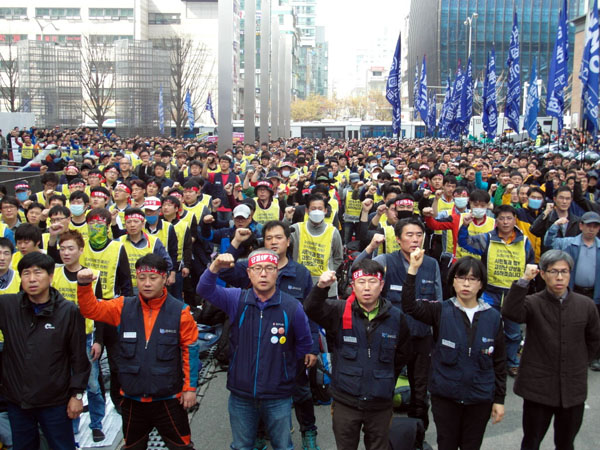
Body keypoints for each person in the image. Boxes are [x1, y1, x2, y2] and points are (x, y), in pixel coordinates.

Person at [77, 253, 199, 449]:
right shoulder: (122, 306)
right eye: (142, 278)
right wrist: (84, 286)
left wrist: (190, 389)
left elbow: (190, 352)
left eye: (153, 278)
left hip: (169, 399)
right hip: (133, 400)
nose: (147, 283)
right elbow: (91, 310)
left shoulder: (180, 312)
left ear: (164, 279)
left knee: (182, 447)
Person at [218, 221, 321, 450]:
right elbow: (223, 270)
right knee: (259, 393)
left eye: (278, 237)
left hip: (292, 347)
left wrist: (312, 347)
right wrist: (236, 242)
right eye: (268, 238)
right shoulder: (252, 268)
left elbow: (310, 312)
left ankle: (308, 432)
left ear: (288, 241)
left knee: (301, 391)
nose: (273, 242)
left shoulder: (300, 273)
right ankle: (258, 434)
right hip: (259, 346)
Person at [196, 249, 313, 450]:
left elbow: (304, 345)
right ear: (249, 273)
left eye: (269, 268)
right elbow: (204, 289)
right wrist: (215, 267)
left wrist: (284, 372)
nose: (263, 274)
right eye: (257, 268)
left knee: (282, 446)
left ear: (277, 272)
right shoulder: (237, 299)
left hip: (278, 395)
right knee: (242, 445)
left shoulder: (292, 307)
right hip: (241, 394)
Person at [403, 253, 506, 450]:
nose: (466, 284)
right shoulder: (441, 310)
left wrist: (499, 400)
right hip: (446, 397)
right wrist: (413, 270)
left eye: (472, 279)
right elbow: (410, 306)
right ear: (453, 281)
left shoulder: (492, 317)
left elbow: (499, 362)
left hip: (479, 398)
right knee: (446, 444)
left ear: (481, 284)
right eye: (461, 278)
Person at [304, 260, 411, 450]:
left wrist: (384, 379)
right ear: (353, 286)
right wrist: (321, 287)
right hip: (346, 401)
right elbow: (310, 309)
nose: (367, 287)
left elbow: (402, 354)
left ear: (382, 285)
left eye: (372, 281)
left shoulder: (396, 317)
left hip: (380, 403)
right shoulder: (339, 310)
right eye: (361, 282)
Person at [502, 251, 600, 450]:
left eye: (564, 271)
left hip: (572, 390)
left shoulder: (586, 305)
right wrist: (524, 280)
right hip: (538, 390)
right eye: (553, 271)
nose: (559, 277)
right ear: (543, 274)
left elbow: (594, 340)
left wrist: (579, 363)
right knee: (531, 441)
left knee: (566, 443)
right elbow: (510, 312)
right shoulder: (533, 302)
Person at [354, 217, 442, 432]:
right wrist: (370, 247)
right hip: (390, 338)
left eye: (419, 235)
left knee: (420, 392)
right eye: (409, 235)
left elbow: (438, 303)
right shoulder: (386, 261)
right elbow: (356, 270)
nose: (415, 240)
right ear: (398, 239)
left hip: (421, 337)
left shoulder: (431, 264)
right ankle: (381, 433)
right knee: (384, 387)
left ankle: (417, 435)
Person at [0, 252, 90, 450]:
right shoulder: (7, 306)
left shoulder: (67, 311)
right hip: (18, 400)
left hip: (55, 401)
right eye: (26, 273)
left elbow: (78, 357)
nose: (32, 279)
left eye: (38, 273)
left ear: (50, 276)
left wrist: (77, 395)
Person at [458, 205, 535, 377]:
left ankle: (512, 362)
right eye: (501, 218)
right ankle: (483, 361)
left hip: (514, 295)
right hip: (490, 293)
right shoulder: (487, 238)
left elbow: (530, 263)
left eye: (509, 218)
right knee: (485, 329)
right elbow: (465, 242)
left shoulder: (524, 242)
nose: (505, 222)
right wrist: (465, 226)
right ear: (496, 221)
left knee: (513, 333)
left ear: (515, 220)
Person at [53, 230, 106, 442]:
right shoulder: (54, 274)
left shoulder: (92, 275)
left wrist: (99, 341)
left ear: (81, 250)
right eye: (62, 249)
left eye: (70, 248)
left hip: (85, 337)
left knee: (92, 384)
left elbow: (100, 310)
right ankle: (71, 425)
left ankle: (97, 423)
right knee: (64, 383)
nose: (66, 253)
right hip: (59, 338)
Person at [544, 210, 600, 370]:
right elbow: (549, 242)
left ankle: (594, 356)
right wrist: (555, 226)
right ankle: (567, 356)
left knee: (594, 326)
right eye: (588, 225)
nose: (591, 229)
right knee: (569, 324)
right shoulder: (569, 243)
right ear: (581, 226)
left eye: (595, 226)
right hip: (574, 290)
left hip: (594, 292)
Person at [285, 194, 344, 297]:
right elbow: (280, 237)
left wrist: (329, 272)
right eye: (313, 209)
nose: (317, 212)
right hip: (299, 284)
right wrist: (287, 219)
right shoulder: (296, 229)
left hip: (327, 288)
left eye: (320, 209)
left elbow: (338, 258)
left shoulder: (333, 232)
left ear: (325, 210)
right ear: (307, 211)